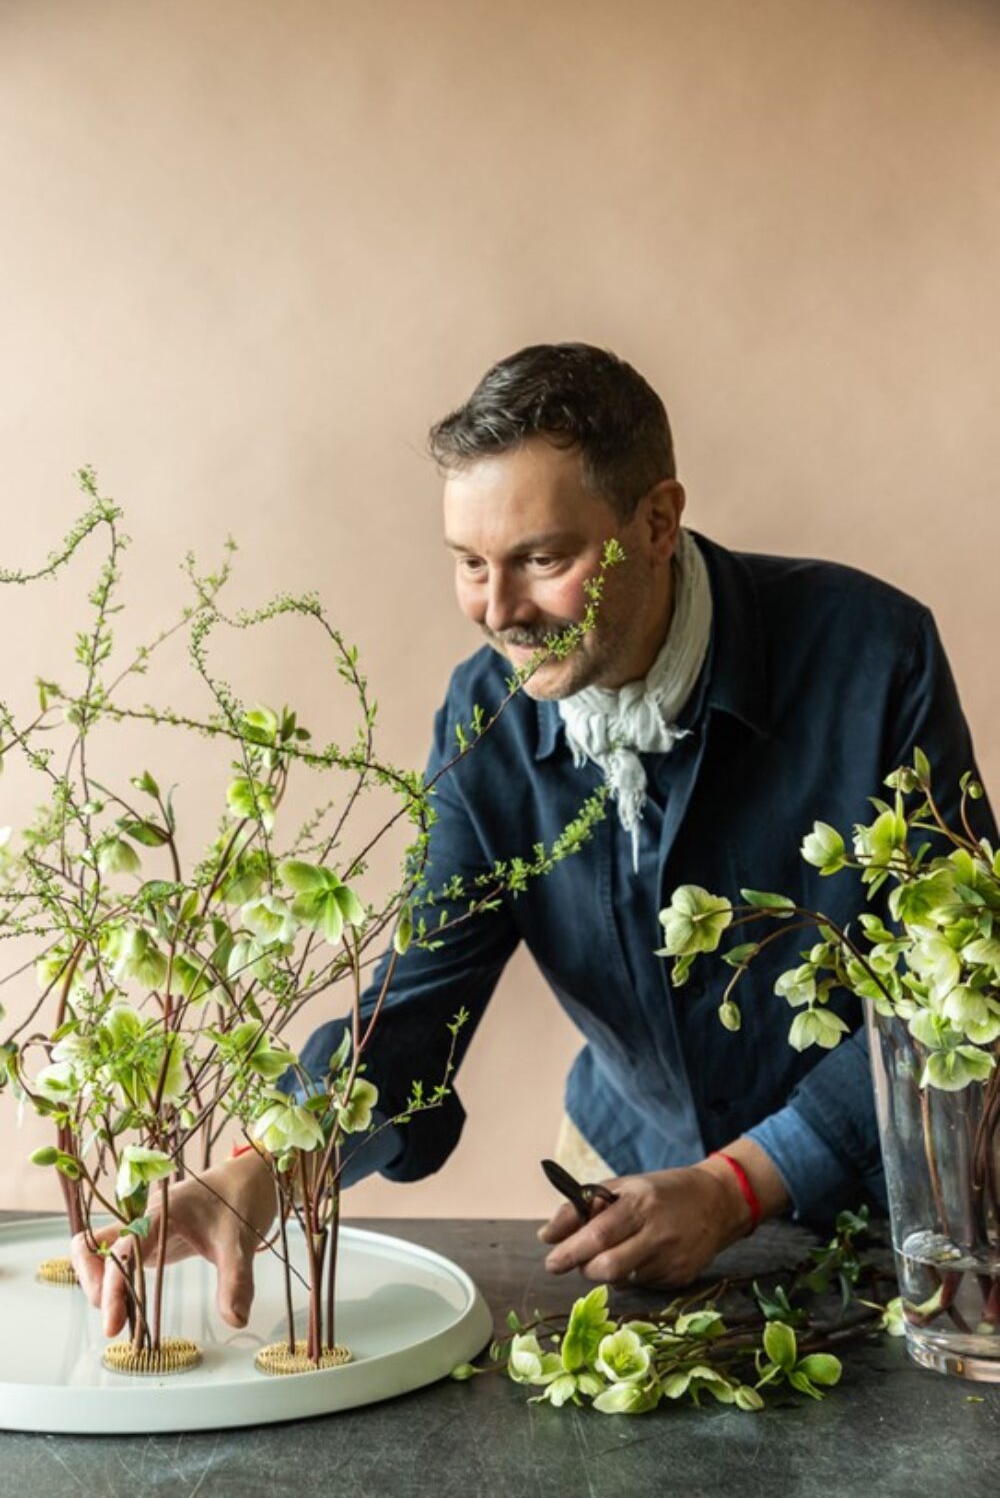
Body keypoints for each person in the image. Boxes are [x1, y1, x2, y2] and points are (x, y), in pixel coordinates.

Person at [73, 342, 992, 1334]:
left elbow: (955, 987)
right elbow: (416, 1011)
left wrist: (735, 1184)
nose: (499, 612)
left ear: (657, 521)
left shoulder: (874, 653)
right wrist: (263, 1165)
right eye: (470, 564)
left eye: (542, 560)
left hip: (895, 1194)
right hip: (624, 1185)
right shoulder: (484, 719)